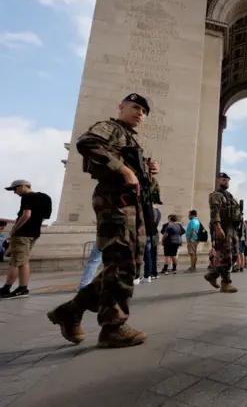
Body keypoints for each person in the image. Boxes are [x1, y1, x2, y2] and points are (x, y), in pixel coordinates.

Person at [47, 93, 159, 348]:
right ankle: (113, 328)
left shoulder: (131, 141)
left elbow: (144, 186)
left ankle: (71, 310)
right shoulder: (110, 128)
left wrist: (150, 174)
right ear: (121, 107)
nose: (139, 113)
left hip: (132, 207)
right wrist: (122, 168)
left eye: (143, 111)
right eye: (135, 107)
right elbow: (86, 142)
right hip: (115, 204)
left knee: (126, 268)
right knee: (120, 264)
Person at [1, 180, 52, 299]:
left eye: (15, 189)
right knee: (16, 260)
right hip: (34, 234)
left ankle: (22, 289)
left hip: (22, 234)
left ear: (23, 186)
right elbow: (44, 217)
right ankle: (6, 288)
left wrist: (14, 229)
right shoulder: (46, 197)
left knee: (22, 262)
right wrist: (34, 226)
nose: (14, 192)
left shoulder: (27, 196)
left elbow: (26, 215)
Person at [204, 172, 241, 293]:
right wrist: (218, 227)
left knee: (234, 255)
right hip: (223, 228)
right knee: (227, 257)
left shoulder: (229, 196)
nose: (226, 182)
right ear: (218, 181)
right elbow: (214, 212)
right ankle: (225, 283)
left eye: (227, 180)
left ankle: (213, 276)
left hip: (232, 228)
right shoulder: (216, 195)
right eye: (223, 179)